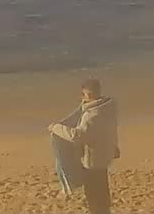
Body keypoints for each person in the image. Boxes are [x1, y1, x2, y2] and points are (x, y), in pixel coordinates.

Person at [48, 78, 120, 214]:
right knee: (102, 188)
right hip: (106, 153)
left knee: (94, 194)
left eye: (85, 95)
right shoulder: (109, 106)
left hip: (93, 160)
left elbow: (77, 136)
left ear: (87, 95)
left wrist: (55, 128)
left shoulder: (92, 115)